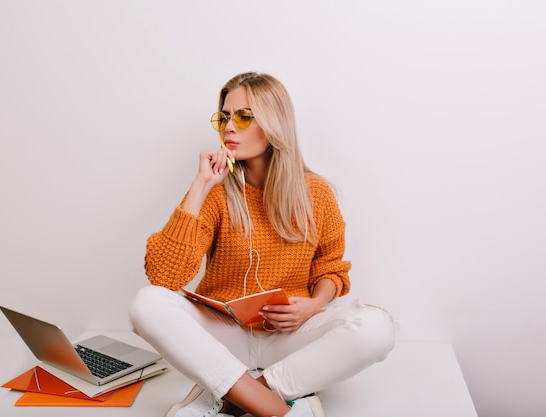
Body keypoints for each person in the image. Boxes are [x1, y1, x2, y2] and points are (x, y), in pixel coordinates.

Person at [129, 72, 396, 417]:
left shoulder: (316, 194)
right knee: (147, 303)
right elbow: (165, 276)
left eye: (243, 116)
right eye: (223, 117)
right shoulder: (216, 192)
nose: (228, 127)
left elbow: (332, 268)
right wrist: (201, 184)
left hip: (290, 335)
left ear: (274, 123)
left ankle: (236, 398)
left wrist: (313, 305)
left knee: (377, 328)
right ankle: (277, 406)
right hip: (223, 337)